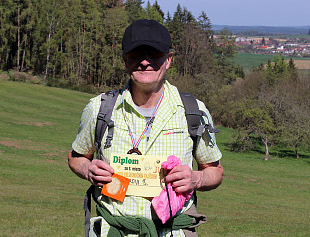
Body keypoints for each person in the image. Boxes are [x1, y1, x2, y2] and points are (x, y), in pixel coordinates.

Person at [68, 19, 224, 237]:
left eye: (154, 54)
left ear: (168, 59)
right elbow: (76, 157)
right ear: (125, 60)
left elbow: (215, 171)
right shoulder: (99, 108)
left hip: (173, 232)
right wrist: (88, 169)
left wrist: (196, 179)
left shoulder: (194, 111)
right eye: (136, 54)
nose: (145, 61)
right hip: (114, 230)